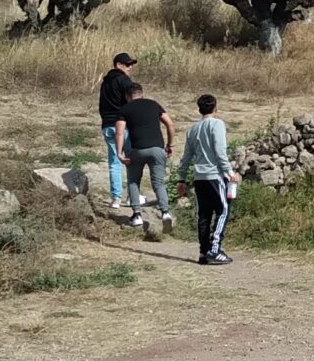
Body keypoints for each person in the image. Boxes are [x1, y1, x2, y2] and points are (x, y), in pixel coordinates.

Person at [181, 92, 238, 264]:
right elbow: (220, 151)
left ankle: (203, 252)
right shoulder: (217, 124)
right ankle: (214, 249)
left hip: (199, 177)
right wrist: (229, 172)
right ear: (215, 107)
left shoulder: (192, 129)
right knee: (223, 210)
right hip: (214, 175)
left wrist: (181, 179)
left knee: (204, 215)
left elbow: (186, 157)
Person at [114, 78, 175, 233]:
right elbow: (169, 123)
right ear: (142, 94)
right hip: (157, 149)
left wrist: (119, 153)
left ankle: (136, 214)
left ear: (128, 96)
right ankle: (165, 212)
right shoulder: (154, 104)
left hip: (137, 150)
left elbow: (120, 132)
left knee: (134, 182)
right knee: (158, 183)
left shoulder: (124, 109)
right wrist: (170, 145)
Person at [95, 52, 138, 208]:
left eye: (131, 64)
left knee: (114, 162)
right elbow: (133, 97)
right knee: (131, 160)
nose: (130, 67)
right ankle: (132, 196)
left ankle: (116, 198)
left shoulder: (105, 82)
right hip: (122, 125)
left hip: (107, 125)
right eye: (128, 64)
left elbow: (101, 104)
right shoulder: (124, 80)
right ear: (118, 65)